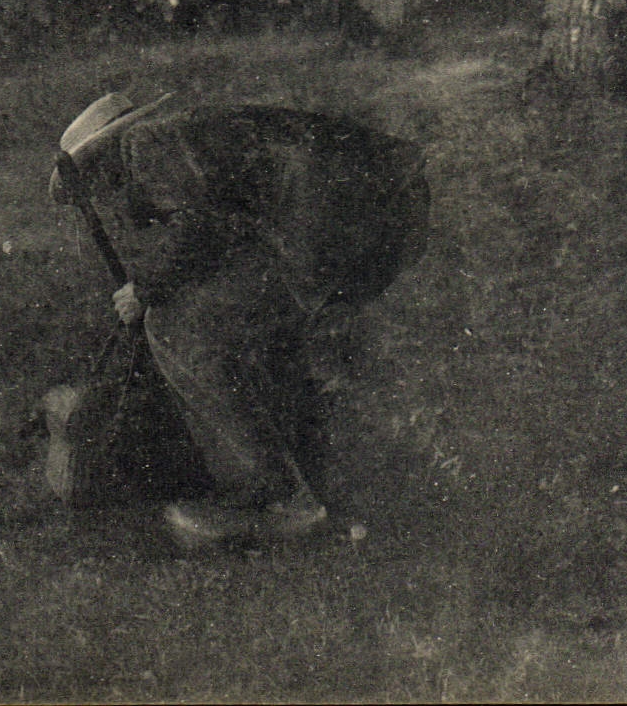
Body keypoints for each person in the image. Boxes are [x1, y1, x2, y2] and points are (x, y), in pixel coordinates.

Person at [46, 92, 428, 548]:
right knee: (229, 312)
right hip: (379, 207)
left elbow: (202, 228)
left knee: (172, 327)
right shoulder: (179, 135)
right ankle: (298, 473)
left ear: (99, 159)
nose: (103, 197)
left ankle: (281, 497)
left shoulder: (143, 145)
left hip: (341, 225)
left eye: (94, 184)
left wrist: (145, 290)